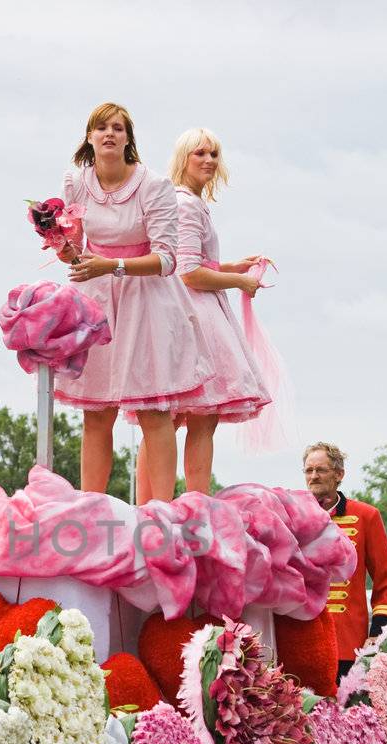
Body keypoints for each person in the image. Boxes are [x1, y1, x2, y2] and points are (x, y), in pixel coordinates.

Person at [53, 101, 212, 503]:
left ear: (128, 139)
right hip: (96, 300)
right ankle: (92, 504)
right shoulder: (75, 182)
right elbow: (74, 250)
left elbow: (167, 259)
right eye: (102, 128)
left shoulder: (153, 186)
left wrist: (111, 265)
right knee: (97, 411)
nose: (110, 134)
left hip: (146, 298)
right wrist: (59, 243)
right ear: (89, 137)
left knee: (153, 411)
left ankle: (160, 508)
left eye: (118, 128)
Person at [131, 127, 271, 500]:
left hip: (185, 313)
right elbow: (189, 272)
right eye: (200, 154)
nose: (209, 160)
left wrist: (231, 267)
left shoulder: (182, 201)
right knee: (197, 419)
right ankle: (195, 501)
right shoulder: (186, 204)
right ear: (184, 159)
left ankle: (151, 503)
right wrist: (239, 283)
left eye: (213, 154)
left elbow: (188, 261)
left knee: (168, 418)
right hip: (198, 318)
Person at [302, 442, 387, 676]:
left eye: (321, 470)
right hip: (301, 636)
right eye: (308, 470)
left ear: (339, 474)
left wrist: (379, 633)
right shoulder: (291, 515)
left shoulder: (366, 516)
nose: (314, 477)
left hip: (347, 642)